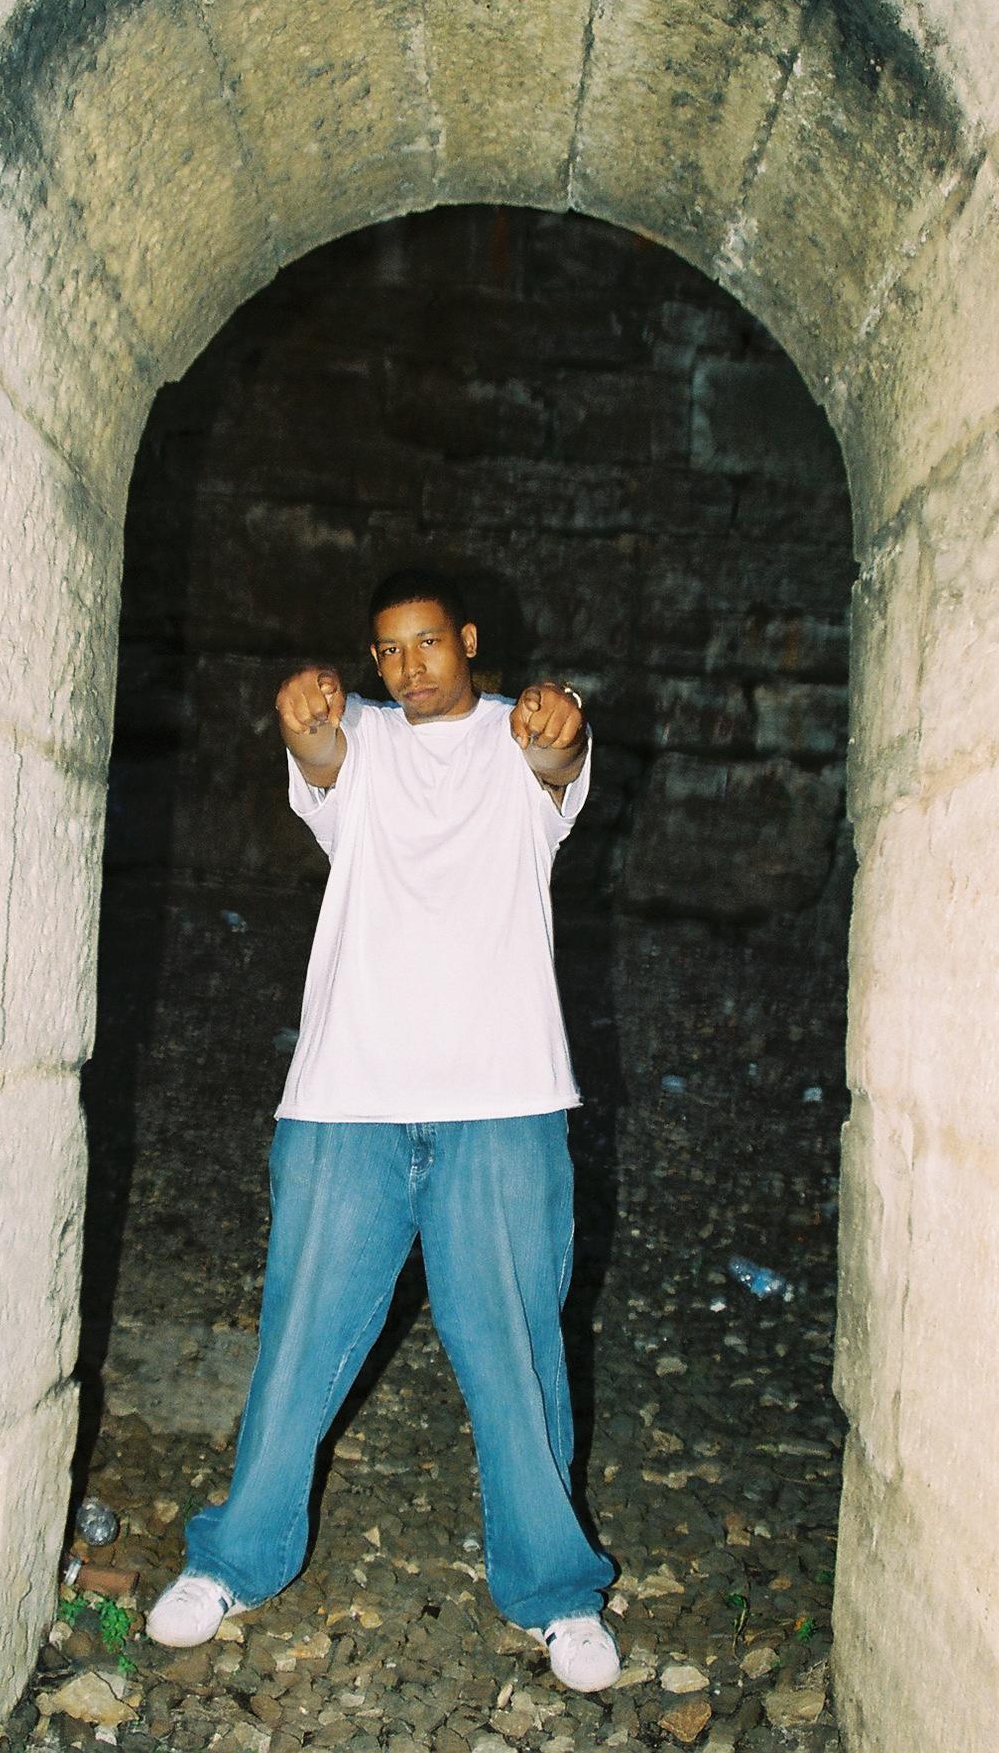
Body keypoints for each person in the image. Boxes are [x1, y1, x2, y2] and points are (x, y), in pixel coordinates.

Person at [146, 568, 619, 1690]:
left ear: (468, 639)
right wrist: (301, 719)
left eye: (427, 643)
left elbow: (558, 768)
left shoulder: (520, 737)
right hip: (345, 1098)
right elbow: (319, 759)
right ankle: (233, 1562)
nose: (409, 667)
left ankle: (557, 1594)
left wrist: (562, 730)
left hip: (501, 1097)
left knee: (515, 1348)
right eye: (389, 651)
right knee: (298, 1336)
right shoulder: (359, 738)